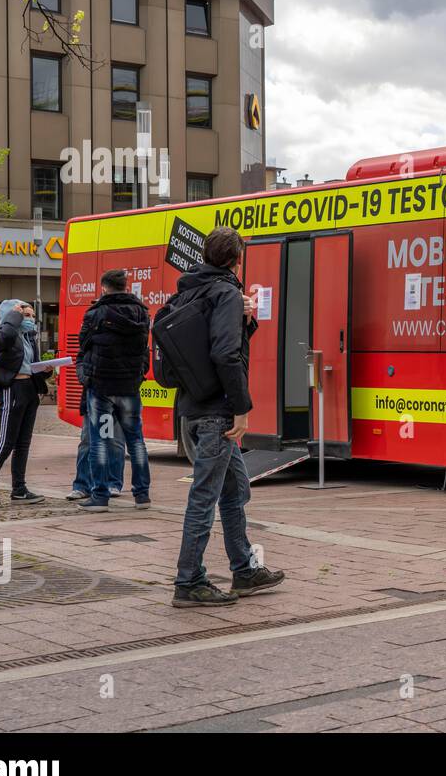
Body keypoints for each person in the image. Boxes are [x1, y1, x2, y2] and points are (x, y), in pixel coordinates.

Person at [168, 227, 284, 607]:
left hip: (193, 405)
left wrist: (244, 317)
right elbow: (224, 354)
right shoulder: (225, 294)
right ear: (238, 259)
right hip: (219, 412)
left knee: (236, 489)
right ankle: (189, 581)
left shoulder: (190, 289)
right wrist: (242, 408)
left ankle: (245, 570)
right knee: (205, 496)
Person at [75, 269, 152, 513]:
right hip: (129, 385)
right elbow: (143, 350)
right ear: (125, 286)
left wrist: (86, 375)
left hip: (101, 386)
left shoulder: (96, 313)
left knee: (98, 440)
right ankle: (142, 495)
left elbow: (83, 343)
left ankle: (99, 496)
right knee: (136, 440)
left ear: (104, 287)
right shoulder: (142, 313)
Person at [0, 300, 49, 507]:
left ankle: (19, 489)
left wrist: (45, 369)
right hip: (12, 390)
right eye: (26, 315)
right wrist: (13, 317)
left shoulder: (28, 337)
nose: (31, 320)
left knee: (23, 444)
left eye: (33, 316)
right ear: (11, 316)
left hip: (29, 390)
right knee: (5, 443)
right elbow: (5, 338)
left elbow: (30, 365)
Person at [67, 390, 124, 503]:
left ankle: (113, 484)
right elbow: (81, 372)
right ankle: (82, 486)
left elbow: (141, 371)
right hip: (94, 397)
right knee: (87, 443)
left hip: (121, 397)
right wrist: (89, 380)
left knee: (115, 443)